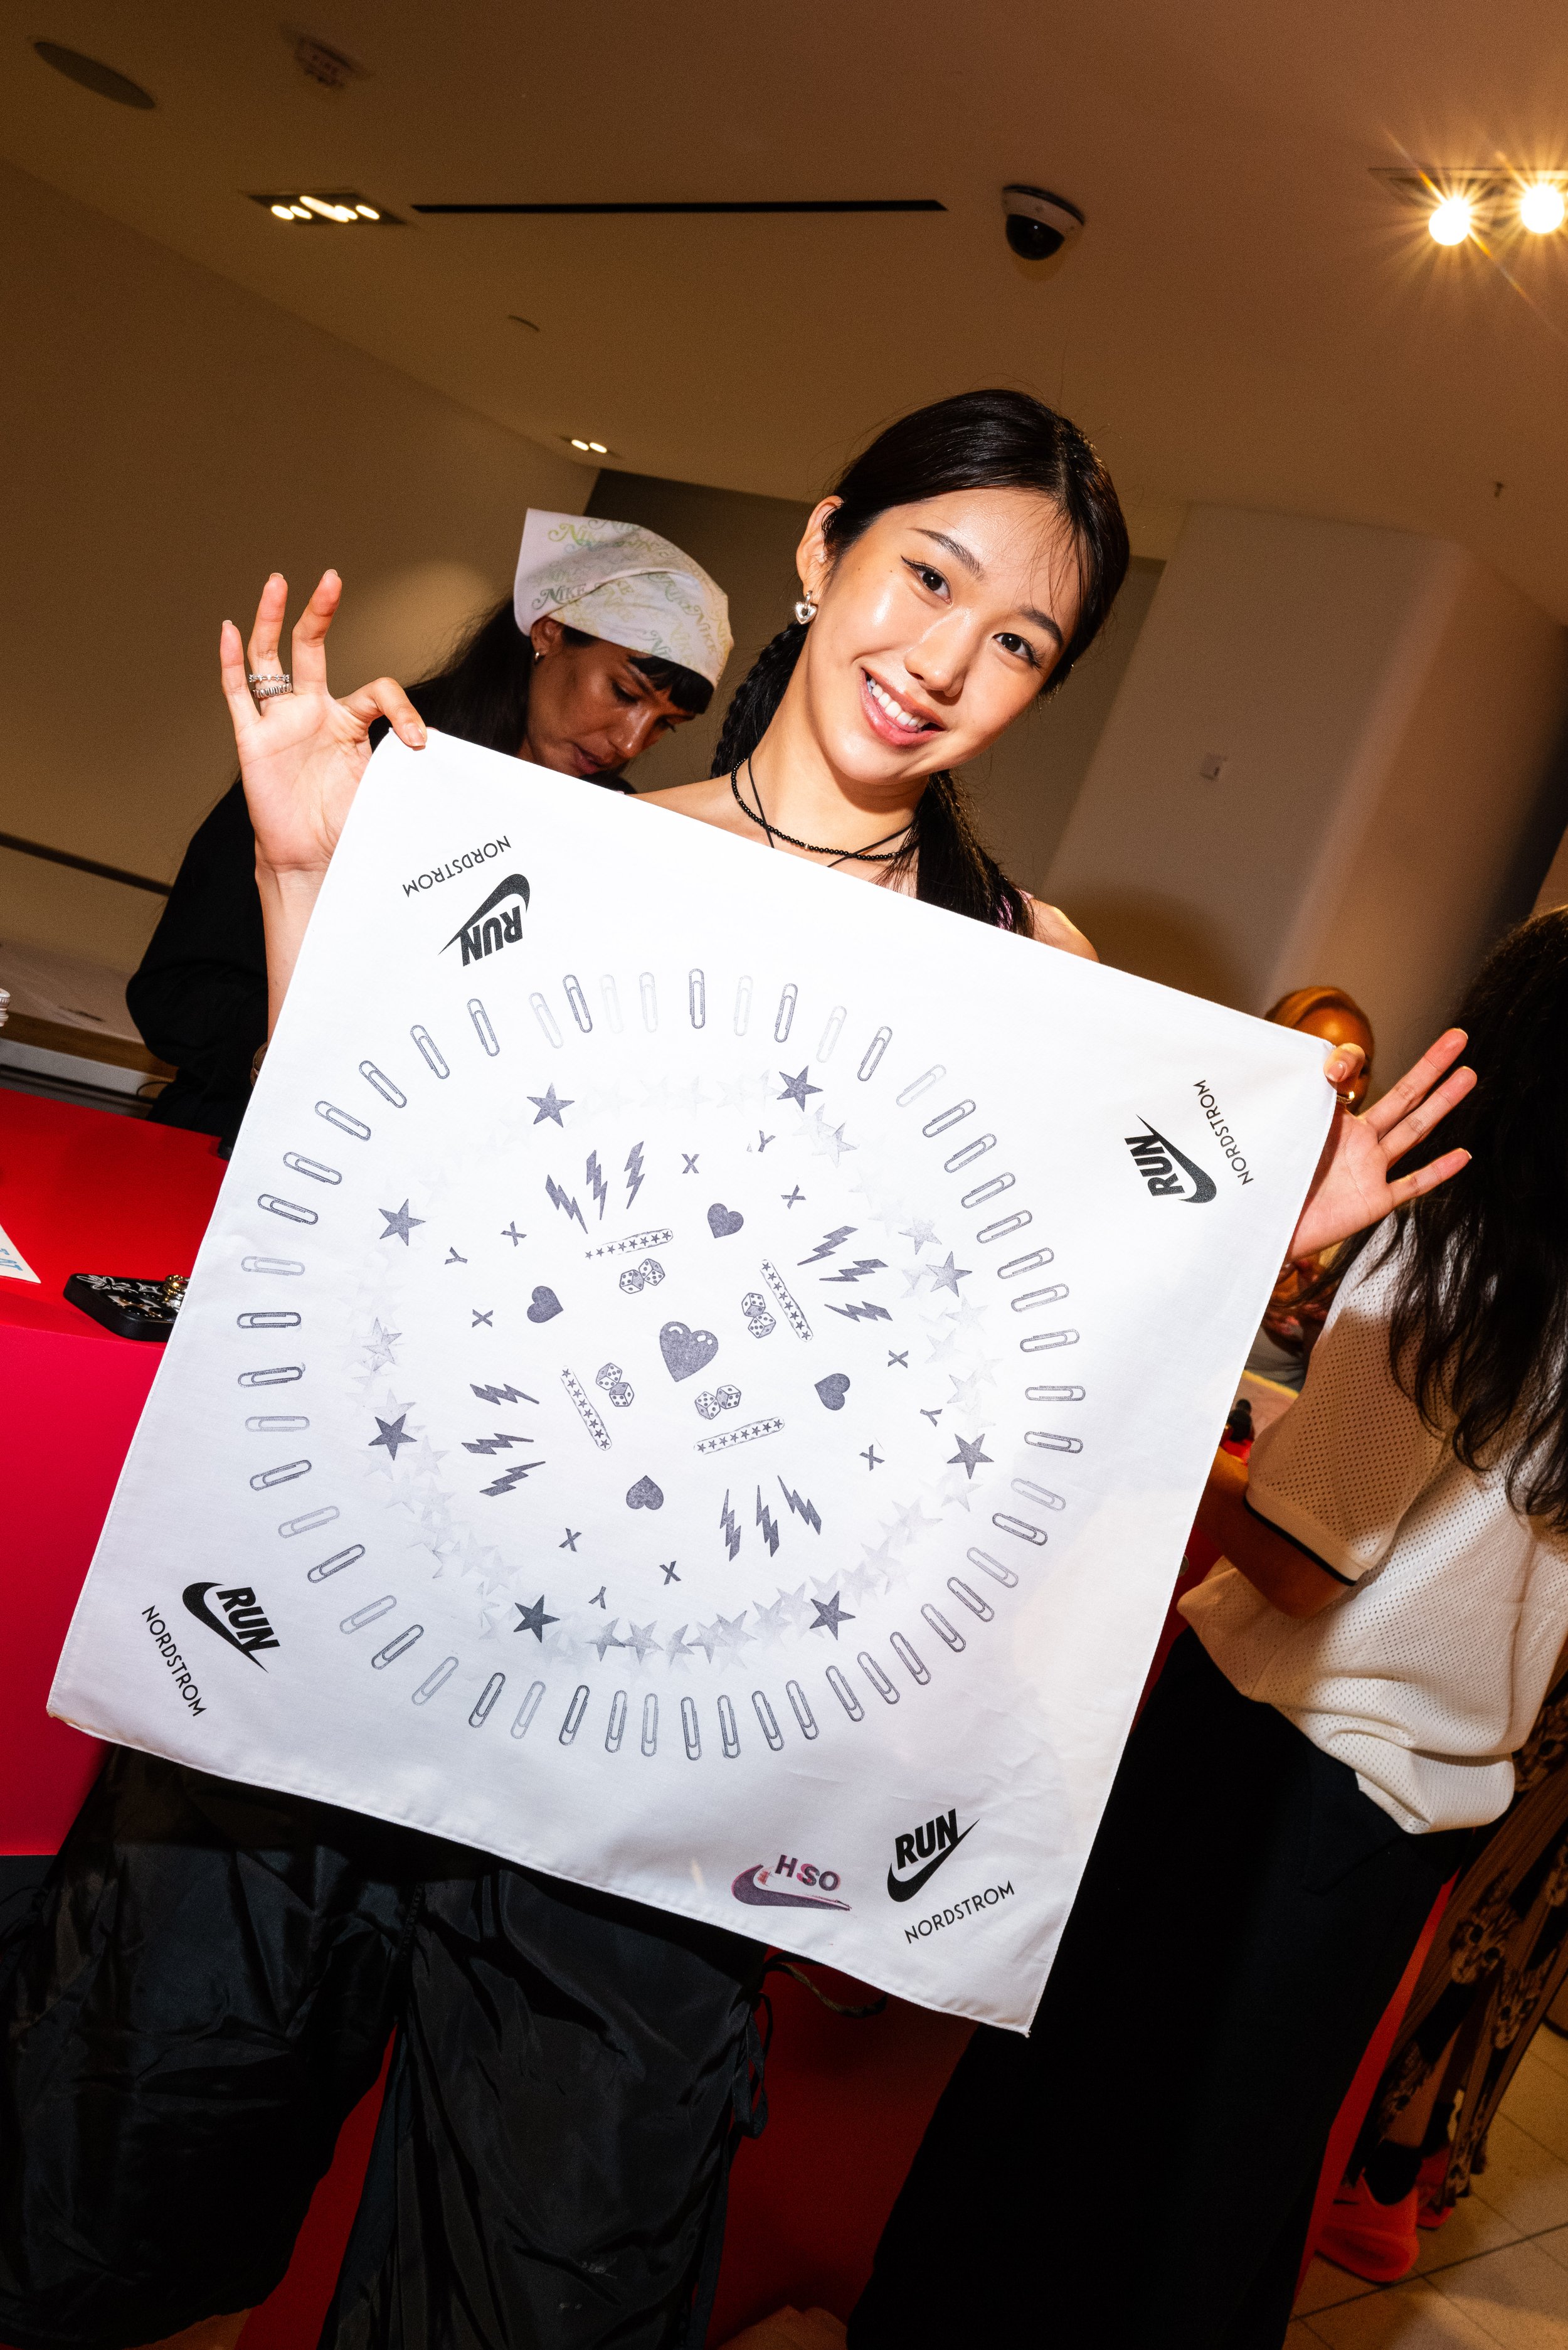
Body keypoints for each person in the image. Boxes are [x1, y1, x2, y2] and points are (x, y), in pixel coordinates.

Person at [1, 390, 1471, 2350]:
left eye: (1017, 640)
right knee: (111, 2172)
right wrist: (300, 881)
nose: (943, 661)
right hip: (369, 1649)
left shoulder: (1028, 971)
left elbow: (1011, 1386)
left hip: (675, 1760)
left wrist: (1239, 1264)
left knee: (539, 2284)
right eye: (924, 576)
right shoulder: (557, 843)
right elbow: (347, 1201)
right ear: (822, 546)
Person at [847, 915, 1568, 2350]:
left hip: (1273, 1759)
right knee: (1226, 2170)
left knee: (1091, 2127)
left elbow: (1302, 1565)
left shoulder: (1453, 1250)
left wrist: (1179, 1440)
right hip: (1414, 1807)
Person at [128, 513, 731, 1143]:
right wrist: (307, 1062)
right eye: (624, 691)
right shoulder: (353, 761)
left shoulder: (610, 832)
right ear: (550, 631)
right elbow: (178, 991)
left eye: (666, 724)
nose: (632, 741)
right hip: (227, 1147)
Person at [1246, 986, 1377, 1390]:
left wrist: (1320, 1322)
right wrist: (1250, 1291)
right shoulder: (1213, 1147)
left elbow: (1345, 1391)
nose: (1345, 1072)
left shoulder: (1365, 1202)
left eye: (1363, 1064)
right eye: (1321, 1051)